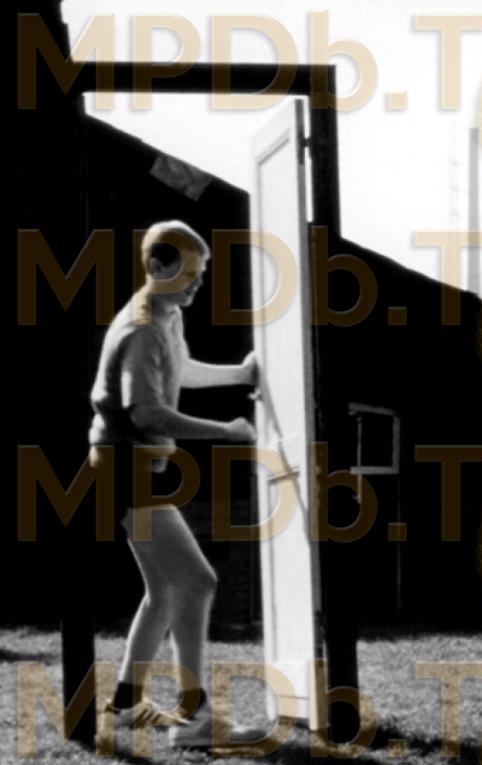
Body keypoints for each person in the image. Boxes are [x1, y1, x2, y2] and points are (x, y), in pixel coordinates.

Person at [89, 220, 262, 749]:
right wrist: (226, 433)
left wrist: (239, 375)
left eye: (201, 274)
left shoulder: (168, 314)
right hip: (124, 470)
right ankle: (195, 718)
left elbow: (178, 369)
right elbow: (146, 413)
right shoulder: (140, 328)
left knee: (164, 589)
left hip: (136, 470)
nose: (196, 284)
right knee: (198, 581)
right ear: (156, 266)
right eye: (187, 274)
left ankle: (125, 705)